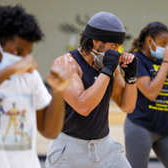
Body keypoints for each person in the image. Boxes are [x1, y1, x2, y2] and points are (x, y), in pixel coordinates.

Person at [45, 12, 138, 168]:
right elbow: (83, 106)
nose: (117, 51)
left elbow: (127, 106)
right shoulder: (66, 64)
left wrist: (131, 77)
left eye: (118, 47)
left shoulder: (109, 66)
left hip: (103, 146)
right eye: (113, 46)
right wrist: (108, 69)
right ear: (95, 42)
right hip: (69, 148)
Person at [0, 5, 69, 168]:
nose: (25, 60)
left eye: (28, 53)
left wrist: (58, 91)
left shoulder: (29, 76)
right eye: (18, 52)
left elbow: (50, 132)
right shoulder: (19, 68)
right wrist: (12, 68)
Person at [124, 22, 168, 168]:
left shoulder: (162, 61)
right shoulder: (137, 60)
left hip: (165, 128)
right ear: (149, 41)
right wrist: (167, 61)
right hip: (140, 126)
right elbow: (151, 93)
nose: (165, 48)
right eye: (162, 43)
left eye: (167, 44)